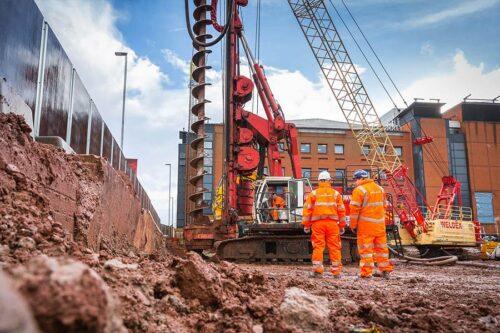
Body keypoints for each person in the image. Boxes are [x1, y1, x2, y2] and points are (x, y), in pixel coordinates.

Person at [349, 169, 393, 278]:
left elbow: (354, 210)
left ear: (361, 178)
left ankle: (366, 273)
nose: (355, 182)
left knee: (366, 250)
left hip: (366, 227)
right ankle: (385, 271)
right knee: (382, 249)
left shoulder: (359, 190)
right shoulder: (380, 189)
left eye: (356, 179)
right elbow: (384, 206)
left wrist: (353, 225)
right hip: (379, 225)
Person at [302, 170, 346, 278]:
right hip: (333, 225)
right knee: (334, 247)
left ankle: (318, 271)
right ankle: (336, 272)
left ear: (319, 181)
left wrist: (306, 225)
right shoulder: (336, 194)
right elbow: (341, 211)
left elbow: (307, 211)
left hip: (318, 225)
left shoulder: (313, 194)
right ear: (329, 180)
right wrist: (342, 225)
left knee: (318, 247)